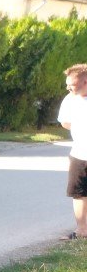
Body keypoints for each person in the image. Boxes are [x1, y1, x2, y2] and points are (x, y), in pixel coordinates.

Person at [58, 64, 87, 240]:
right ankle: (81, 230)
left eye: (72, 84)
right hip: (79, 153)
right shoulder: (70, 99)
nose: (68, 88)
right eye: (67, 84)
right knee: (79, 193)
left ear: (85, 81)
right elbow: (65, 122)